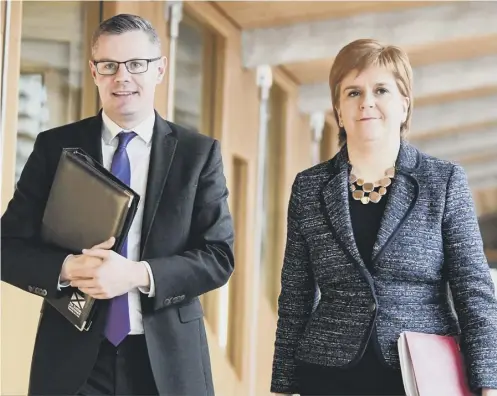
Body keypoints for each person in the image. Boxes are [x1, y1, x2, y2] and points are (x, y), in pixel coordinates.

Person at [1, 14, 234, 396]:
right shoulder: (54, 147)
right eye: (109, 66)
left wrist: (137, 274)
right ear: (94, 72)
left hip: (166, 360)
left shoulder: (198, 154)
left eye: (136, 64)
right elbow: (6, 247)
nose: (121, 77)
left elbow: (218, 257)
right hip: (73, 358)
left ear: (159, 69)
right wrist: (67, 267)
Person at [270, 39, 497, 396]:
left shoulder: (444, 181)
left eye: (381, 90)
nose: (367, 103)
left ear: (405, 104)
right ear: (338, 111)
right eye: (353, 93)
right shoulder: (310, 186)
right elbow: (296, 293)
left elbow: (473, 290)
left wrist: (488, 383)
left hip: (422, 372)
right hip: (328, 372)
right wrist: (283, 385)